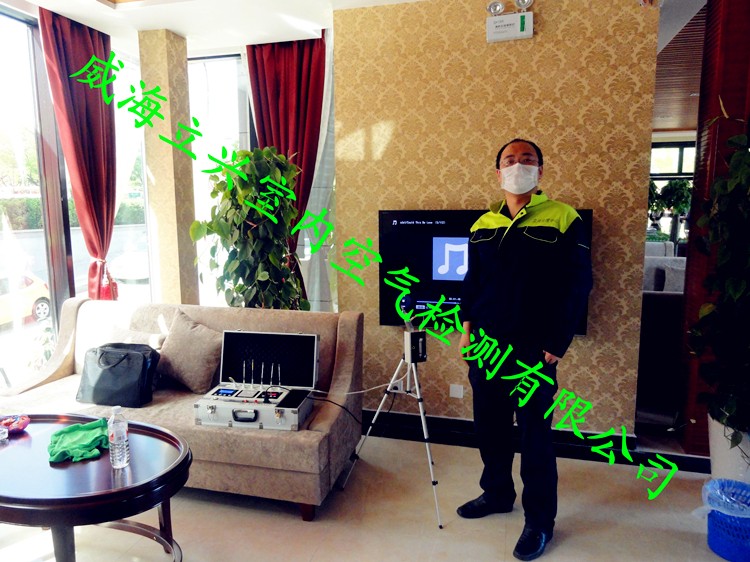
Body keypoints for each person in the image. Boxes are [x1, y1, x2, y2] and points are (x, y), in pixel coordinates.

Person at [457, 139, 593, 561]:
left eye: (527, 160)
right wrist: (466, 328)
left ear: (541, 171)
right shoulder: (483, 223)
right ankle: (497, 493)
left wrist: (557, 342)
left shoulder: (564, 217)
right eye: (510, 161)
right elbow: (472, 280)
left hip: (535, 348)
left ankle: (539, 522)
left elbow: (578, 284)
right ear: (498, 172)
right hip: (485, 345)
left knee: (535, 435)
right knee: (490, 427)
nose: (519, 166)